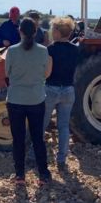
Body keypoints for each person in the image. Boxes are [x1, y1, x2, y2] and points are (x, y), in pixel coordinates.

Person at [5, 18, 52, 186]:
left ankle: (19, 175)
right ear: (35, 32)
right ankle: (43, 175)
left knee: (18, 139)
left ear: (20, 31)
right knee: (37, 138)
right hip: (36, 99)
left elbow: (7, 73)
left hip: (15, 99)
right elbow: (46, 73)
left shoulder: (11, 51)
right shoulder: (43, 51)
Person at [42, 16, 78, 168]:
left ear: (57, 32)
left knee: (41, 124)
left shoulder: (50, 50)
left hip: (51, 89)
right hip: (69, 90)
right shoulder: (76, 50)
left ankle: (34, 153)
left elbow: (47, 74)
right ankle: (62, 159)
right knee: (63, 126)